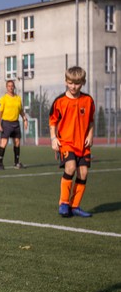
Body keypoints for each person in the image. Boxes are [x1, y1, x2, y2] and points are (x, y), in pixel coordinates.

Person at [49, 66, 95, 218]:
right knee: (71, 167)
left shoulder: (88, 100)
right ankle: (63, 203)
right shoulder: (60, 101)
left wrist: (91, 135)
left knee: (83, 172)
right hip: (66, 142)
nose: (73, 86)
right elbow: (53, 122)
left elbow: (91, 121)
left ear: (83, 82)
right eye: (70, 83)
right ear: (65, 81)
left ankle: (75, 206)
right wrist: (54, 139)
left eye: (77, 83)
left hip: (83, 143)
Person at [0, 79, 29, 170]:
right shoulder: (3, 99)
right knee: (4, 142)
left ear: (14, 87)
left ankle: (16, 163)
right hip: (6, 123)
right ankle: (0, 163)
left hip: (16, 123)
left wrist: (25, 119)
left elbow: (21, 111)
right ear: (6, 88)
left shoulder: (18, 98)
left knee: (17, 142)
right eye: (9, 86)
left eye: (12, 86)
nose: (11, 87)